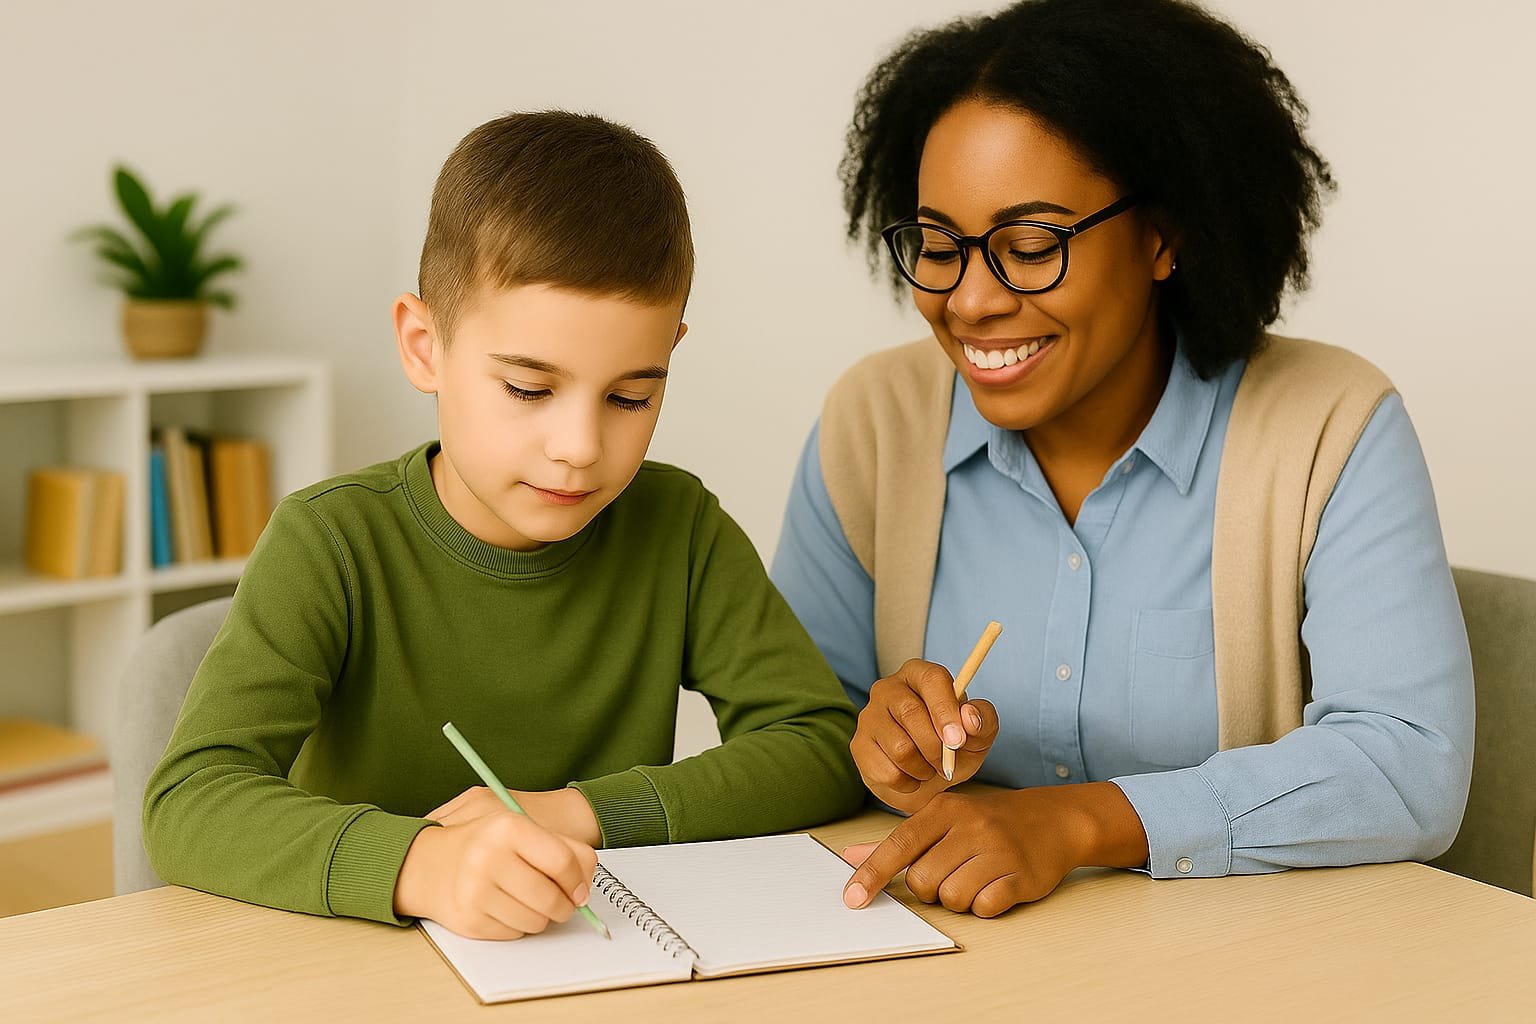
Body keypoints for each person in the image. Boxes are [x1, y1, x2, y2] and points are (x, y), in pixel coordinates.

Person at [772, 0, 1473, 919]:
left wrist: (1079, 822)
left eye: (1029, 247)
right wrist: (873, 743)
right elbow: (792, 725)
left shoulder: (1328, 427)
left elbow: (1409, 762)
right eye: (938, 247)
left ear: (1165, 235)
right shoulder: (874, 423)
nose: (971, 300)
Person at [144, 111, 864, 939]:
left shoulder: (680, 526)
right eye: (529, 389)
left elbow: (818, 743)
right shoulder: (330, 542)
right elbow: (190, 799)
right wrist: (422, 865)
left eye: (632, 396)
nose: (580, 449)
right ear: (424, 346)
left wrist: (581, 814)